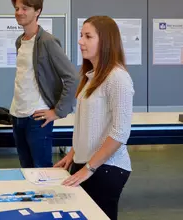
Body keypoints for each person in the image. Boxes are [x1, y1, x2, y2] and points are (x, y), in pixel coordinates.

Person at [55, 16, 134, 220]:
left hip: (106, 168)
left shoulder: (117, 78)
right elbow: (87, 124)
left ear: (106, 42)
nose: (80, 41)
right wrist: (73, 153)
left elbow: (120, 132)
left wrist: (89, 168)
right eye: (81, 35)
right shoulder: (91, 76)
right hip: (87, 163)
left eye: (88, 36)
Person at [10, 0, 77, 168]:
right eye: (17, 8)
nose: (19, 13)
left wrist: (57, 111)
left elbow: (72, 77)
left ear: (37, 11)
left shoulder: (47, 41)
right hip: (17, 114)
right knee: (26, 169)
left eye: (25, 8)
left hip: (37, 116)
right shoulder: (20, 41)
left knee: (41, 171)